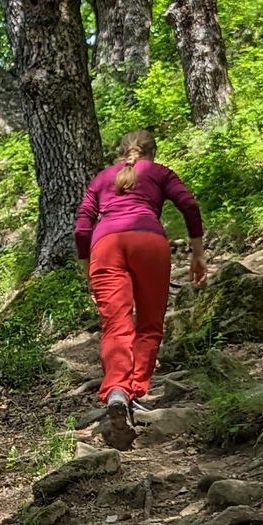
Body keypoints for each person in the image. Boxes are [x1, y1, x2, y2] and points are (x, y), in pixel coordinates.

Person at [74, 127, 207, 447]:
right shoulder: (159, 172)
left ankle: (117, 392)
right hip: (149, 241)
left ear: (121, 152)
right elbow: (188, 204)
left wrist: (86, 267)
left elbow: (82, 227)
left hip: (105, 246)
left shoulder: (101, 178)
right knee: (149, 325)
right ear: (153, 152)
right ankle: (131, 392)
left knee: (115, 325)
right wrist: (198, 253)